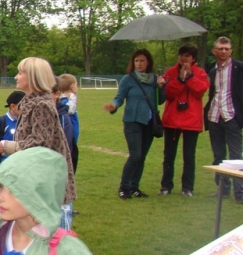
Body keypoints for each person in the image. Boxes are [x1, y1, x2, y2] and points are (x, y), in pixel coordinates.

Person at [0, 57, 76, 229]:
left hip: (47, 180)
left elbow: (40, 143)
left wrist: (7, 147)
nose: (16, 76)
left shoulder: (41, 105)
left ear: (33, 77)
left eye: (21, 73)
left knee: (50, 235)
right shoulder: (31, 102)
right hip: (37, 177)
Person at [103, 49, 164, 199]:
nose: (139, 64)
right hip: (132, 121)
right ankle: (124, 188)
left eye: (142, 60)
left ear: (148, 62)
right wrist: (114, 106)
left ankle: (135, 187)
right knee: (135, 155)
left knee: (142, 156)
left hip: (149, 122)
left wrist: (161, 86)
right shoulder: (128, 79)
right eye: (136, 61)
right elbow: (119, 97)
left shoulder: (154, 79)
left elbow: (161, 100)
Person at [156, 44, 209, 197]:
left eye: (187, 56)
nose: (184, 58)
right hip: (172, 120)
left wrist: (190, 77)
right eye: (181, 55)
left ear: (193, 58)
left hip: (191, 121)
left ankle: (187, 188)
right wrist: (179, 78)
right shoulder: (171, 72)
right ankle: (166, 186)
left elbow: (200, 91)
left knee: (189, 156)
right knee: (169, 156)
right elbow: (169, 94)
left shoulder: (200, 73)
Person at [204, 36, 243, 203]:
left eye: (227, 48)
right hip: (215, 116)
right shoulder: (213, 71)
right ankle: (223, 189)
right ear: (215, 51)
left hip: (232, 116)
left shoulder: (239, 68)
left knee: (236, 155)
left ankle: (240, 193)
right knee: (218, 155)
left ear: (231, 51)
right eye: (221, 48)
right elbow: (213, 93)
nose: (224, 51)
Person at [0, 91, 24, 164]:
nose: (27, 108)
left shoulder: (29, 121)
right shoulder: (0, 121)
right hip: (6, 167)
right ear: (13, 106)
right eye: (24, 105)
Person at [59, 73, 80, 173]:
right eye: (76, 84)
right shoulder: (65, 100)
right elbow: (70, 110)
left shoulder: (63, 99)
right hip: (69, 135)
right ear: (72, 86)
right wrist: (73, 95)